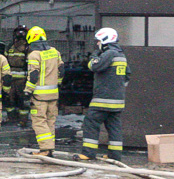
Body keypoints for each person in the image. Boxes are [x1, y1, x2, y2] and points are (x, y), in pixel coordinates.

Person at [76, 28, 131, 162]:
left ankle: (88, 153)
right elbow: (127, 75)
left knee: (90, 122)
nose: (97, 44)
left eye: (99, 41)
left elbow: (93, 66)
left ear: (106, 40)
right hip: (117, 100)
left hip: (103, 99)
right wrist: (116, 88)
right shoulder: (121, 55)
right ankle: (115, 156)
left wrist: (95, 56)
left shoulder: (109, 53)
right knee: (114, 127)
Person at [24, 26, 64, 157]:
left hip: (39, 97)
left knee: (39, 122)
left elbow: (34, 75)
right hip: (53, 94)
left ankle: (45, 149)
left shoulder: (34, 55)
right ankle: (50, 148)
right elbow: (61, 70)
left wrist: (27, 91)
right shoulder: (55, 52)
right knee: (50, 121)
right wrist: (57, 83)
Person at [4, 25, 30, 124]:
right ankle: (11, 118)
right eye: (18, 32)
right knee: (9, 99)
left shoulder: (27, 47)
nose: (19, 35)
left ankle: (23, 120)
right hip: (10, 78)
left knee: (22, 100)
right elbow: (4, 60)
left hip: (22, 79)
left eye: (22, 32)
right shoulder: (10, 46)